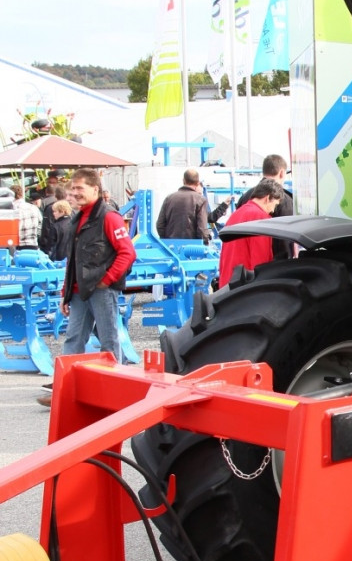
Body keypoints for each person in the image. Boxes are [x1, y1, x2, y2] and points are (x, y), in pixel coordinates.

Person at [37, 168, 136, 406]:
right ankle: (63, 389)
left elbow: (128, 253)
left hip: (101, 290)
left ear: (95, 188)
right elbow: (73, 260)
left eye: (80, 188)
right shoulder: (77, 218)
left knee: (108, 339)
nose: (75, 193)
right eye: (73, 189)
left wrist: (107, 279)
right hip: (80, 290)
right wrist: (65, 293)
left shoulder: (109, 217)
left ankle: (116, 388)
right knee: (73, 338)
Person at [218, 178, 284, 287]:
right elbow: (261, 261)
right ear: (267, 198)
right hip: (245, 288)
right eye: (275, 205)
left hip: (228, 285)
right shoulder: (261, 219)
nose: (273, 210)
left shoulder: (236, 214)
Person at [237, 154, 293, 259]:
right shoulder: (283, 200)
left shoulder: (245, 197)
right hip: (271, 267)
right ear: (281, 173)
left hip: (243, 265)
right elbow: (286, 242)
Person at [156, 169, 210, 242]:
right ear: (197, 183)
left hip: (170, 247)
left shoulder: (169, 198)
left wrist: (166, 241)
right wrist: (204, 243)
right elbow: (202, 228)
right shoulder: (200, 200)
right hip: (192, 248)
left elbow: (160, 225)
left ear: (183, 181)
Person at [10, 184, 39, 248]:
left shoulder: (12, 210)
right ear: (22, 194)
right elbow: (40, 225)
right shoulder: (34, 207)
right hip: (33, 244)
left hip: (17, 245)